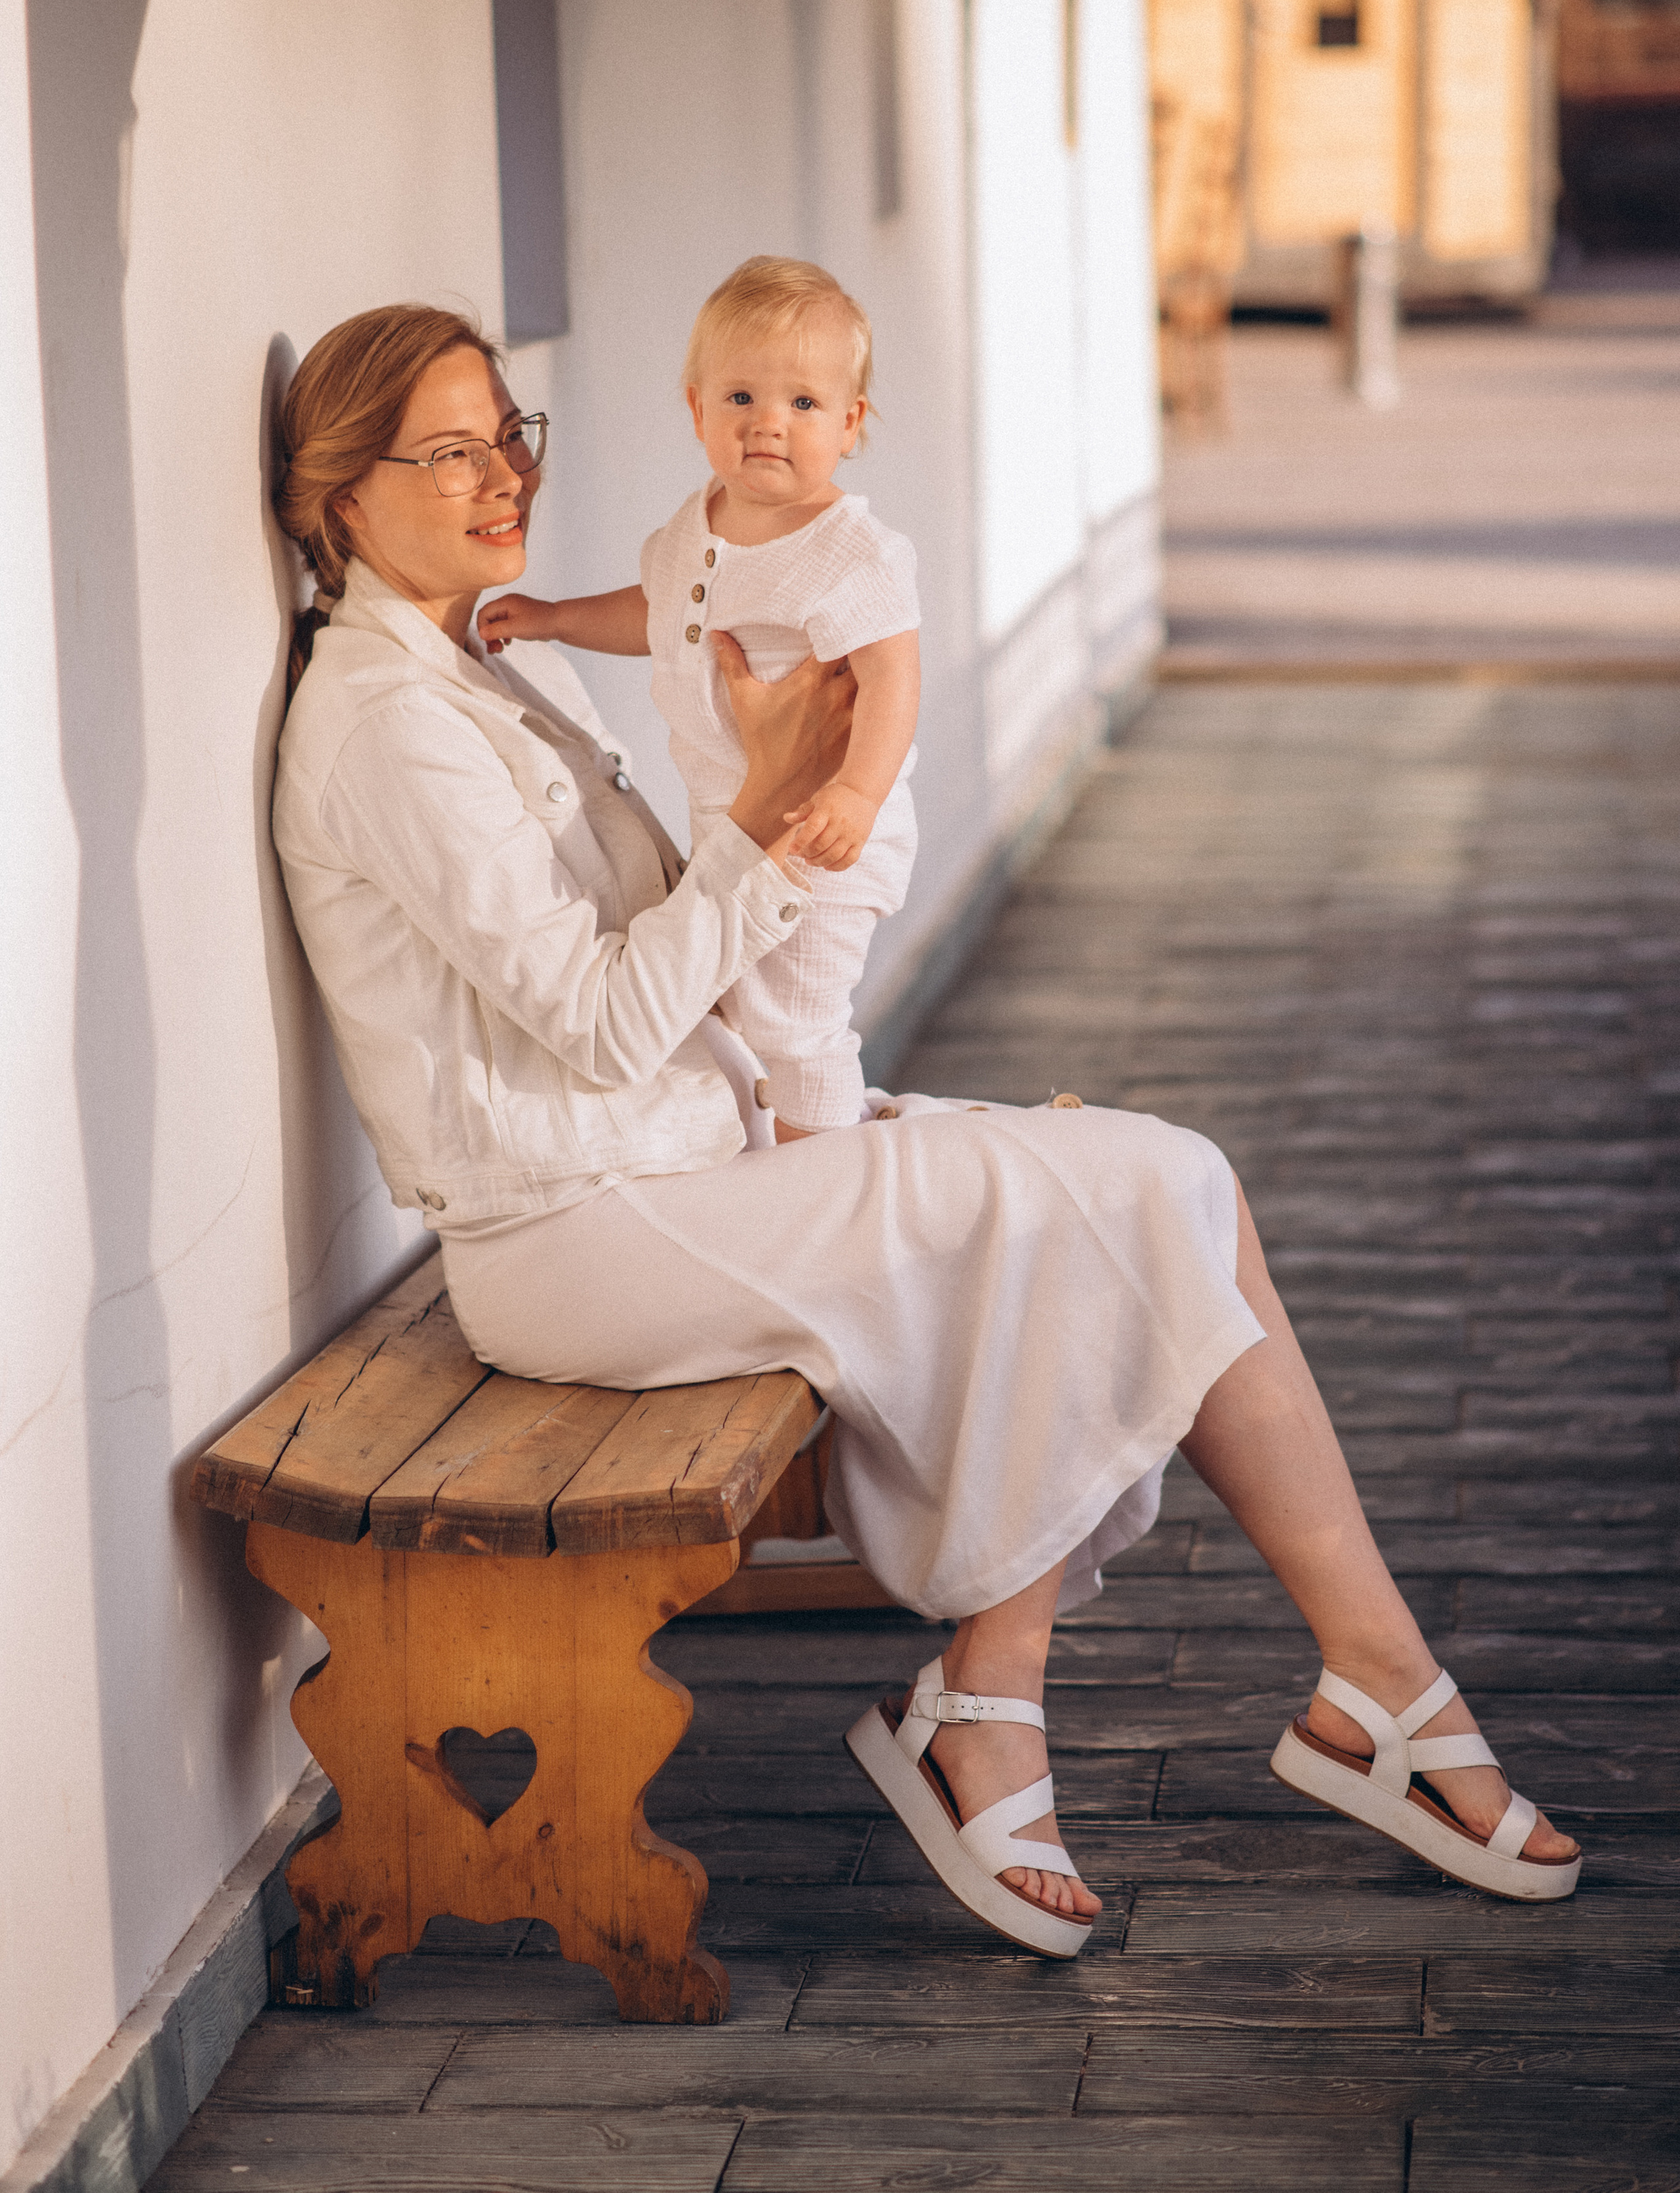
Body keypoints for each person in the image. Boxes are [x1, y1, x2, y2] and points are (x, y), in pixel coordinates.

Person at [270, 301, 1580, 1963]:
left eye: (508, 436)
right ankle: (1023, 1706)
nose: (498, 477)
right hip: (579, 1232)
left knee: (1171, 1185)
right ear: (339, 501)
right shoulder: (388, 725)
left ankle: (1350, 1687)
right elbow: (597, 1020)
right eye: (443, 453)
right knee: (1088, 1199)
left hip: (682, 1163)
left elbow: (654, 977)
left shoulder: (477, 671)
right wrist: (759, 817)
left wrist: (807, 1067)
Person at [478, 256, 920, 1143]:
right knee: (745, 1010)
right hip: (737, 825)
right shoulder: (697, 524)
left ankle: (828, 1168)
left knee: (795, 1019)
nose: (769, 424)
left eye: (803, 403)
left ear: (850, 423)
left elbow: (892, 678)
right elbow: (659, 610)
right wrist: (560, 615)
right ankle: (797, 1143)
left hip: (827, 835)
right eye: (742, 399)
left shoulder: (850, 552)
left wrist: (858, 793)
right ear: (697, 410)